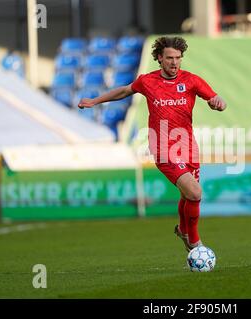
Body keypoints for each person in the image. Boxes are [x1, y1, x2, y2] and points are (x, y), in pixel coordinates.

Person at [78, 36, 227, 252]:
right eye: (169, 58)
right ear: (159, 58)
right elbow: (124, 91)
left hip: (187, 146)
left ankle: (184, 231)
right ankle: (195, 243)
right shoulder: (147, 81)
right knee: (195, 192)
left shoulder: (192, 80)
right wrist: (94, 101)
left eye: (178, 58)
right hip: (162, 147)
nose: (174, 62)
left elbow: (216, 99)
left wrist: (219, 104)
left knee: (188, 195)